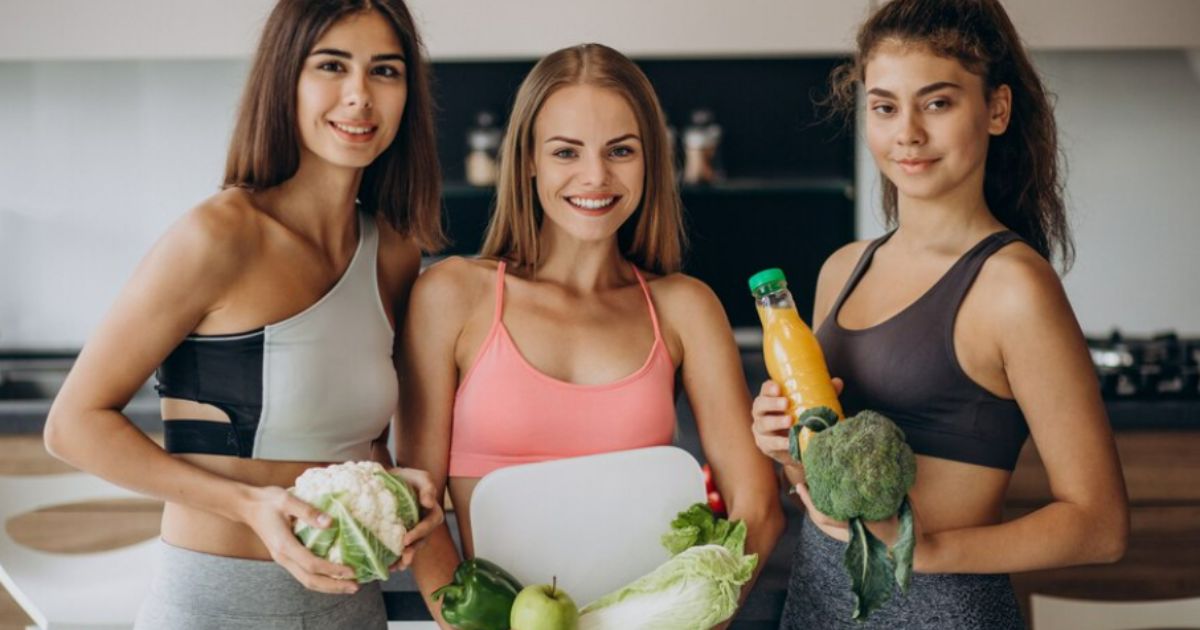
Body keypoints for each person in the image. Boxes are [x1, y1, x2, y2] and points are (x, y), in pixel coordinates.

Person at [43, 1, 446, 627]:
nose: (359, 96)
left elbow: (356, 445)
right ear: (285, 78)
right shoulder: (221, 236)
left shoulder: (392, 251)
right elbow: (72, 426)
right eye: (331, 66)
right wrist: (248, 504)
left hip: (352, 610)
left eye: (385, 71)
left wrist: (400, 493)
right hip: (217, 607)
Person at [750, 1, 1129, 627]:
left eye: (938, 103)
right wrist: (789, 453)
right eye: (885, 106)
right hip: (816, 604)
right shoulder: (841, 270)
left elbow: (1100, 525)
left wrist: (927, 550)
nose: (907, 134)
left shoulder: (1013, 287)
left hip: (942, 612)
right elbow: (836, 492)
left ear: (997, 109)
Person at [399, 43, 784, 625]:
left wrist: (690, 617)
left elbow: (758, 506)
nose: (596, 176)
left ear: (650, 159)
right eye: (566, 151)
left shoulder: (684, 307)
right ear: (528, 159)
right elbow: (418, 508)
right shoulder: (451, 296)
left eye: (620, 151)